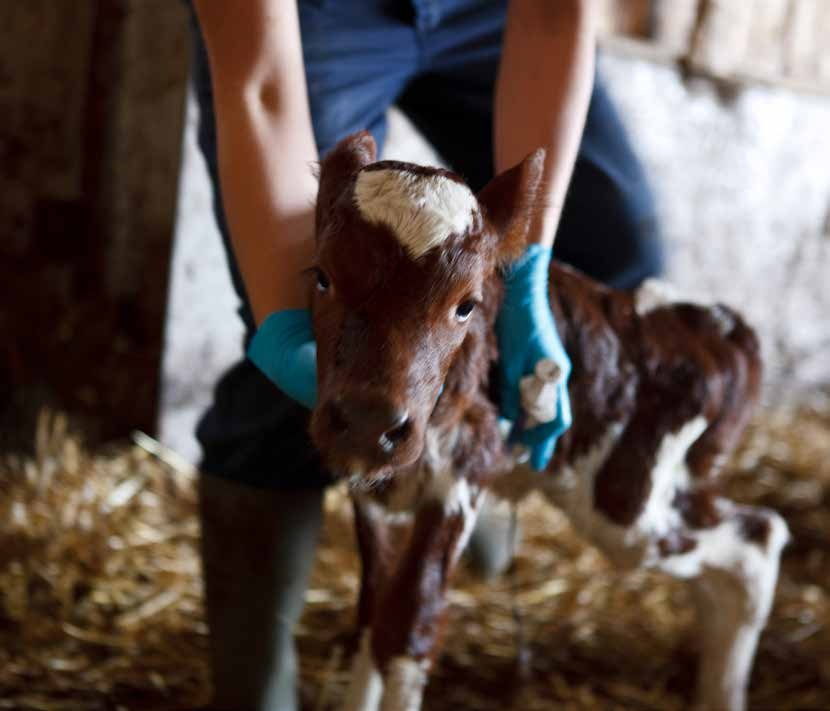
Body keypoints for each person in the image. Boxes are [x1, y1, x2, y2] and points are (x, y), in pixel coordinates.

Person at [187, 1, 662, 709]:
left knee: (616, 251)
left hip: (489, 11)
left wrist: (526, 275)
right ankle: (257, 682)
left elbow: (556, 14)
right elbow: (260, 85)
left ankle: (482, 477)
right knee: (307, 322)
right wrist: (288, 330)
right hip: (319, 17)